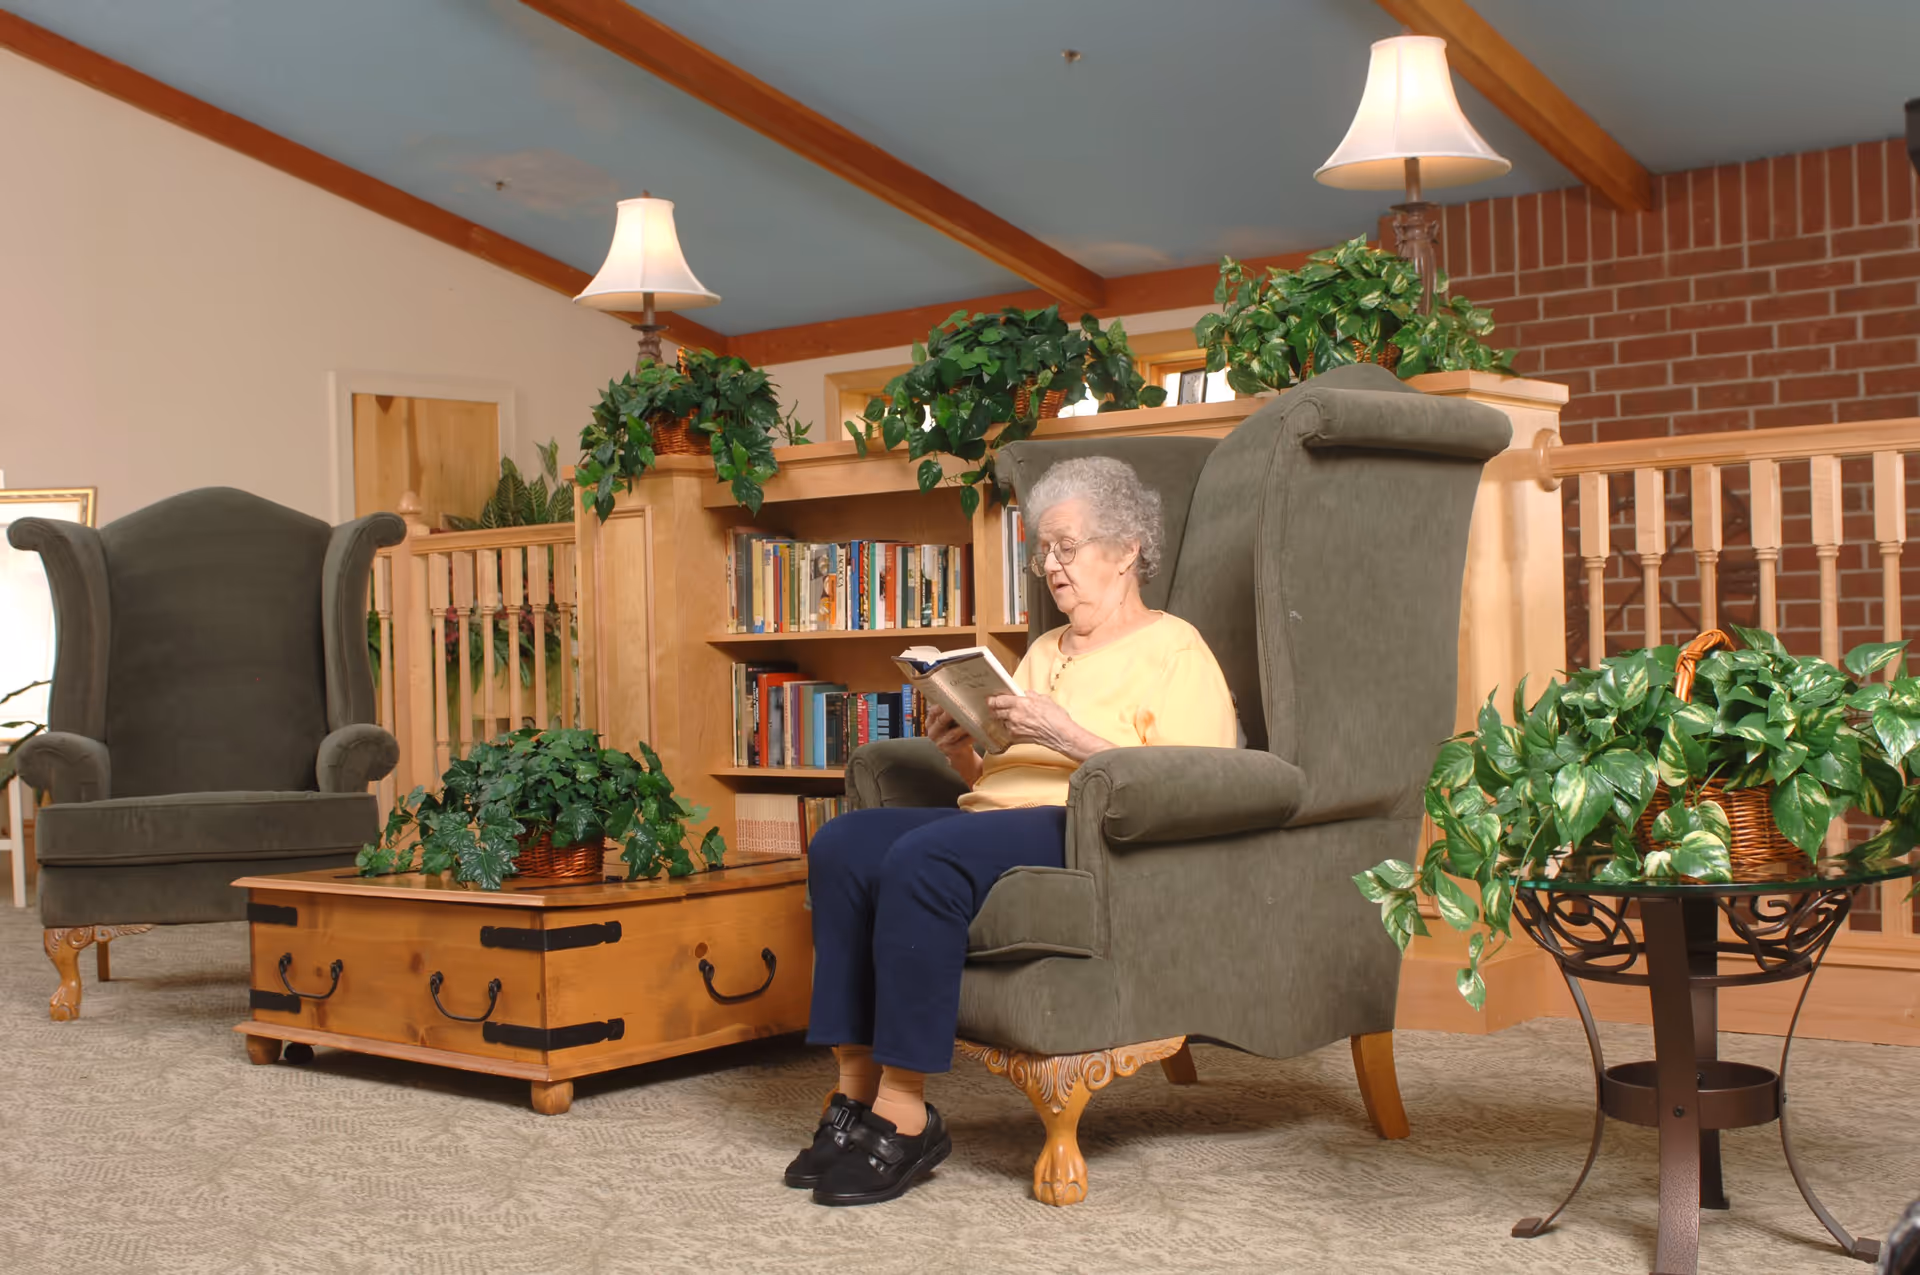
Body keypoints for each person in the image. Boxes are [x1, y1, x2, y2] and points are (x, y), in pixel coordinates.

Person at [786, 456, 1239, 1206]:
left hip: (1085, 833)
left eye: (1068, 546)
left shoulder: (1175, 648)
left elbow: (1196, 786)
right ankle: (855, 1090)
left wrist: (1069, 733)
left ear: (1126, 549)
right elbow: (997, 778)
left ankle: (905, 1113)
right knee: (845, 843)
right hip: (996, 819)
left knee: (924, 856)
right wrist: (963, 748)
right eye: (1043, 550)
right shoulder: (1044, 649)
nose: (1052, 567)